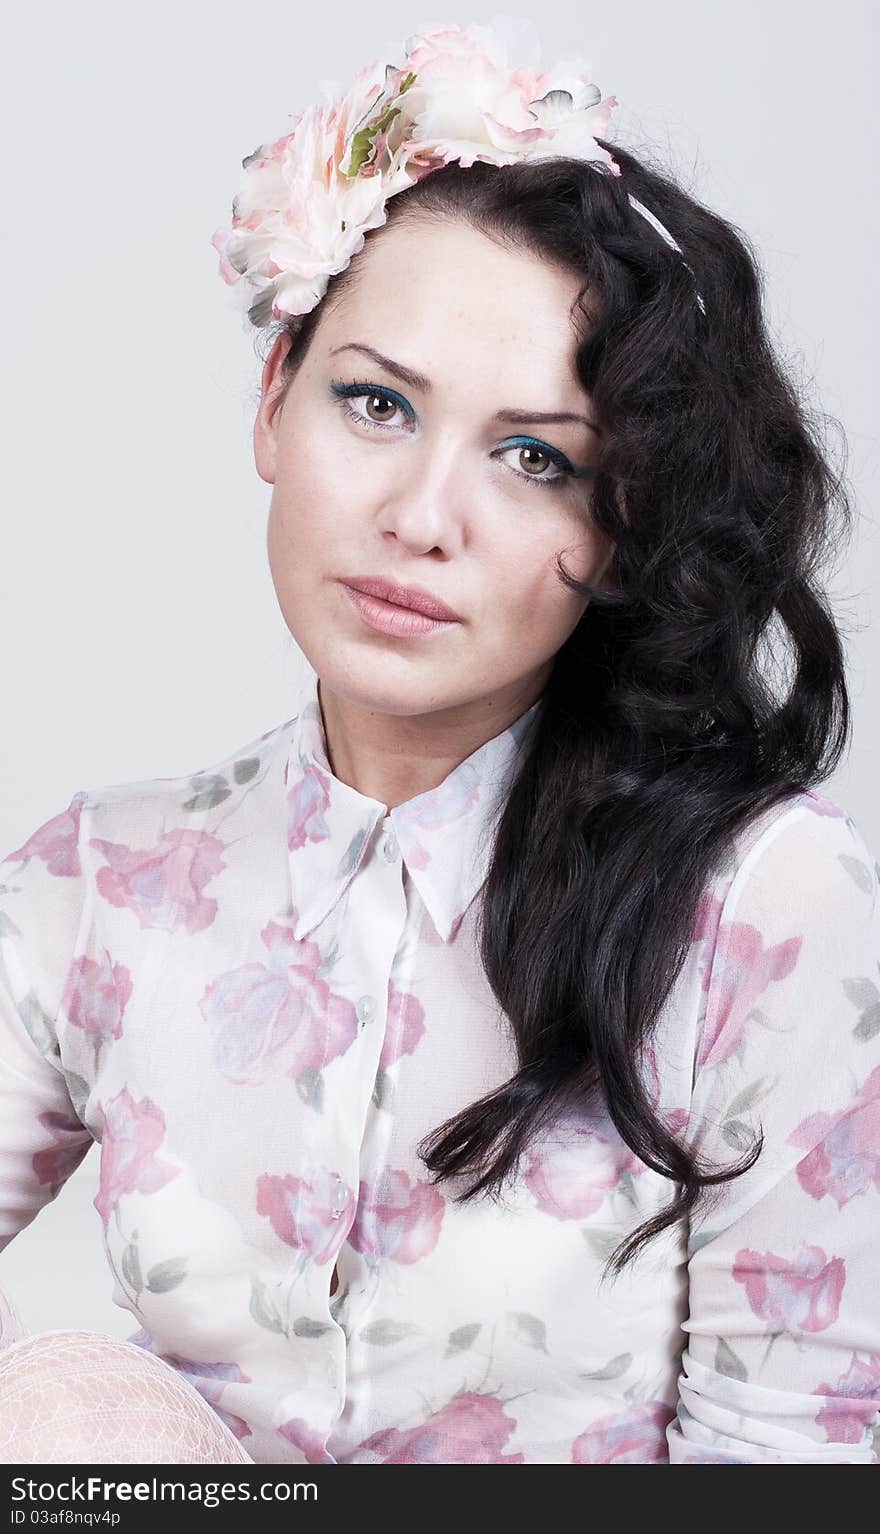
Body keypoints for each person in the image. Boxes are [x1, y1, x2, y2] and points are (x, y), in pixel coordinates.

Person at [1, 15, 878, 1467]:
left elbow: (792, 1464)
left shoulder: (765, 913)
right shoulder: (108, 879)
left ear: (620, 527)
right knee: (59, 1411)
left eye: (536, 459)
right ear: (274, 398)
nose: (422, 515)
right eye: (376, 402)